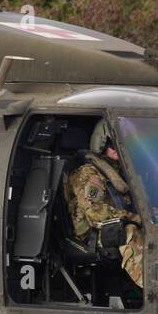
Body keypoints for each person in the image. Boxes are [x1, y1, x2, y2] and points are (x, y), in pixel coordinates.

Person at [63, 118, 144, 288]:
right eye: (115, 145)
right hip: (92, 233)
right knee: (129, 232)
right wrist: (133, 217)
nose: (122, 150)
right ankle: (155, 285)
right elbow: (95, 214)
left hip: (112, 223)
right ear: (102, 144)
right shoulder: (89, 173)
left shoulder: (120, 173)